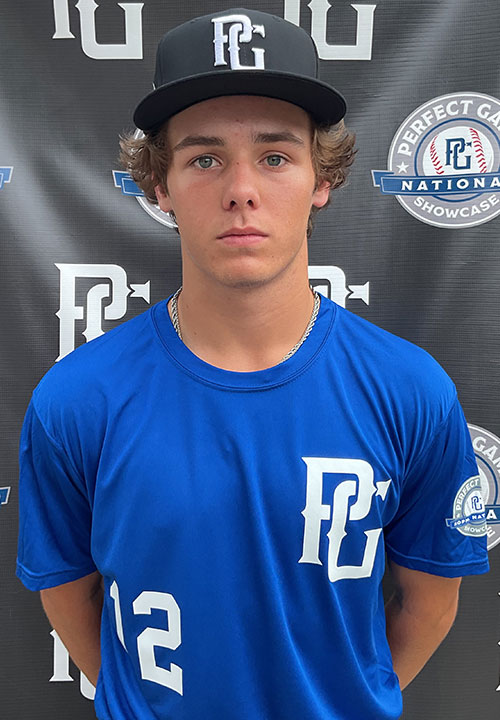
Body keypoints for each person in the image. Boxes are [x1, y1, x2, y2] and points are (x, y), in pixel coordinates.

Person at [17, 7, 489, 720]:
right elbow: (67, 593)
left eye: (275, 156)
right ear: (160, 187)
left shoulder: (408, 390)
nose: (241, 189)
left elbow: (430, 603)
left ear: (321, 179)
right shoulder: (78, 399)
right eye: (204, 159)